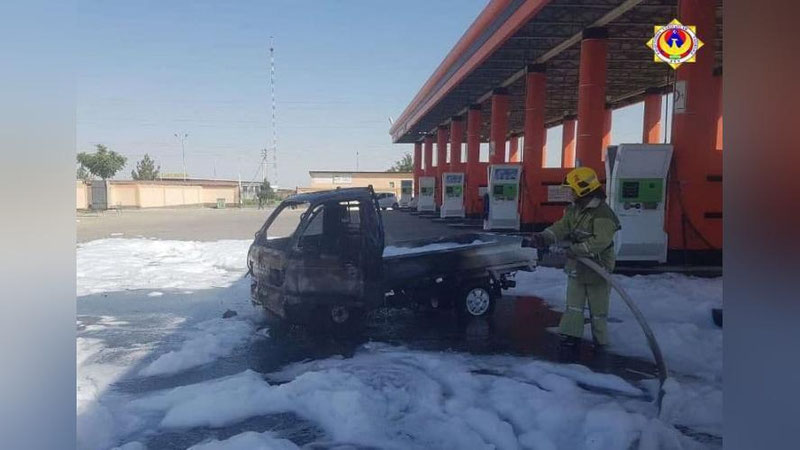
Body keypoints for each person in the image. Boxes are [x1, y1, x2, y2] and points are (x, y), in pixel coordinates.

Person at [527, 167, 621, 353]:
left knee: (598, 309)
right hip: (578, 265)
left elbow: (600, 242)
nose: (570, 193)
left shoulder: (603, 214)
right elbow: (561, 227)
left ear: (583, 189)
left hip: (598, 267)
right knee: (574, 305)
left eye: (572, 189)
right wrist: (544, 237)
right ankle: (571, 337)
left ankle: (601, 343)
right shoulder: (574, 210)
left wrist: (575, 250)